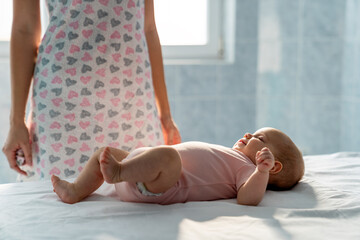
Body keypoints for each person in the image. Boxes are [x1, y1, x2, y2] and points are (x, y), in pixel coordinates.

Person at [2, 0, 181, 181]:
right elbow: (24, 29)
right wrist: (16, 121)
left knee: (142, 194)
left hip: (134, 106)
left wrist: (165, 115)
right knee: (58, 199)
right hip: (64, 105)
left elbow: (148, 28)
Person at [51, 127, 305, 206]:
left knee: (170, 157)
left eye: (258, 139)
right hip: (146, 170)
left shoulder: (248, 170)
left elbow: (247, 199)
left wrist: (259, 172)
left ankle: (118, 172)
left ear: (273, 166)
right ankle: (75, 191)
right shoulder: (233, 155)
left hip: (162, 184)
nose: (249, 134)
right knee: (105, 153)